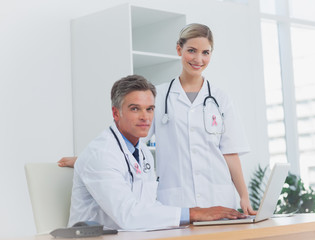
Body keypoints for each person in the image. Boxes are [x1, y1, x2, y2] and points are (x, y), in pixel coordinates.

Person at [60, 23, 256, 215]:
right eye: (192, 50)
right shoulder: (158, 95)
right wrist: (85, 159)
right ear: (179, 49)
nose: (198, 59)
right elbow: (130, 139)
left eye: (206, 52)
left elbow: (230, 153)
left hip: (218, 197)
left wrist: (244, 196)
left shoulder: (221, 99)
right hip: (177, 200)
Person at [68, 75, 245, 230]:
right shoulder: (101, 154)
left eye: (150, 109)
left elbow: (148, 207)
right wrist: (195, 213)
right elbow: (128, 215)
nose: (145, 117)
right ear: (116, 113)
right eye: (135, 109)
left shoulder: (143, 152)